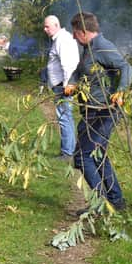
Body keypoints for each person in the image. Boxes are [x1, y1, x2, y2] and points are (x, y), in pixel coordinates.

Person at [65, 12, 132, 212]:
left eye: (76, 33)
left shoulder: (102, 47)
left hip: (103, 111)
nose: (74, 37)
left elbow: (125, 66)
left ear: (84, 32)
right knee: (97, 155)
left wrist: (121, 91)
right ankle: (116, 201)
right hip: (91, 110)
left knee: (82, 156)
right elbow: (79, 70)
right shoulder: (88, 49)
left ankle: (100, 204)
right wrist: (72, 83)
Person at [43, 15, 79, 159]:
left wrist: (67, 85)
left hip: (63, 87)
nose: (45, 29)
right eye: (44, 26)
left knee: (64, 118)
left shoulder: (62, 40)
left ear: (56, 25)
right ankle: (70, 149)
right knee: (66, 118)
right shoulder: (60, 38)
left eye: (47, 26)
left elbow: (68, 64)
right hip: (61, 85)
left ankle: (67, 153)